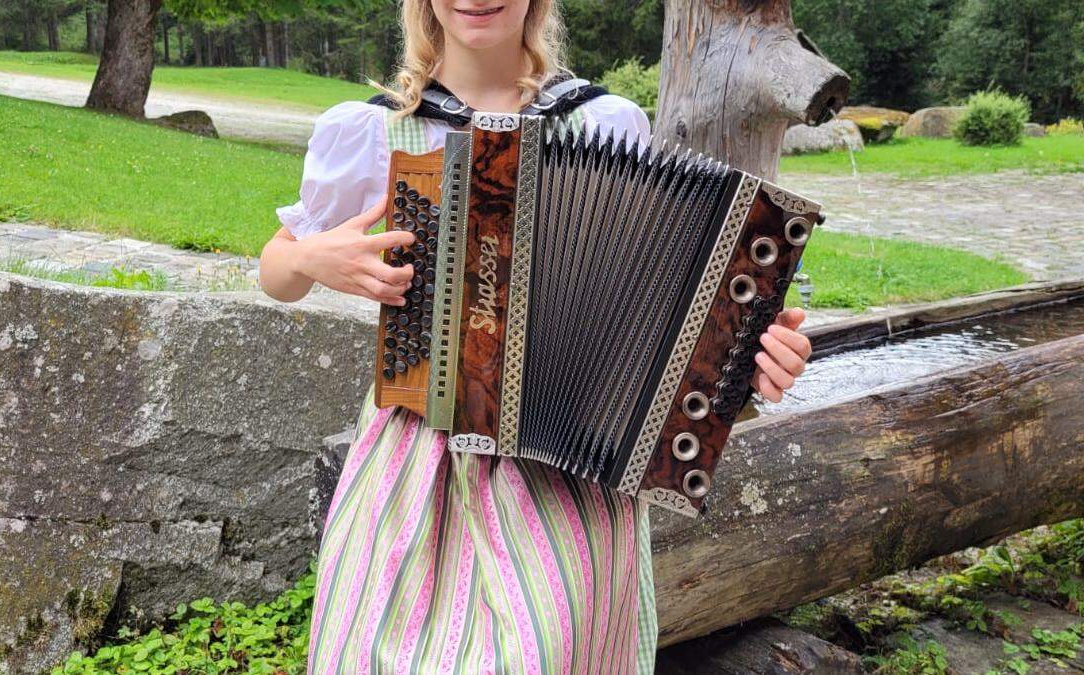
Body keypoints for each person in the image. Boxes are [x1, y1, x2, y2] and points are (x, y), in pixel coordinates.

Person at [258, 1, 812, 671]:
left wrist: (747, 356)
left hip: (567, 478)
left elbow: (655, 310)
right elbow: (277, 271)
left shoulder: (604, 124)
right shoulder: (376, 130)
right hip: (415, 457)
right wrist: (309, 259)